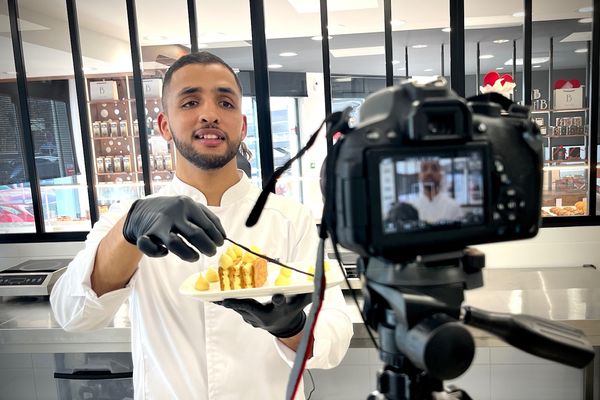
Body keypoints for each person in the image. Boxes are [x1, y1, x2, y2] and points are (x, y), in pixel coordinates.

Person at [50, 51, 353, 399]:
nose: (209, 114)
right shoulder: (128, 216)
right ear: (164, 125)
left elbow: (334, 339)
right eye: (191, 101)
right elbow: (73, 315)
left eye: (225, 103)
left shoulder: (290, 218)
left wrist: (292, 327)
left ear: (242, 125)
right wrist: (130, 229)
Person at [408, 159, 463, 223]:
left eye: (434, 169)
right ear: (419, 176)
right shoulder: (411, 207)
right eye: (424, 169)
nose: (429, 173)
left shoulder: (453, 206)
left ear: (440, 176)